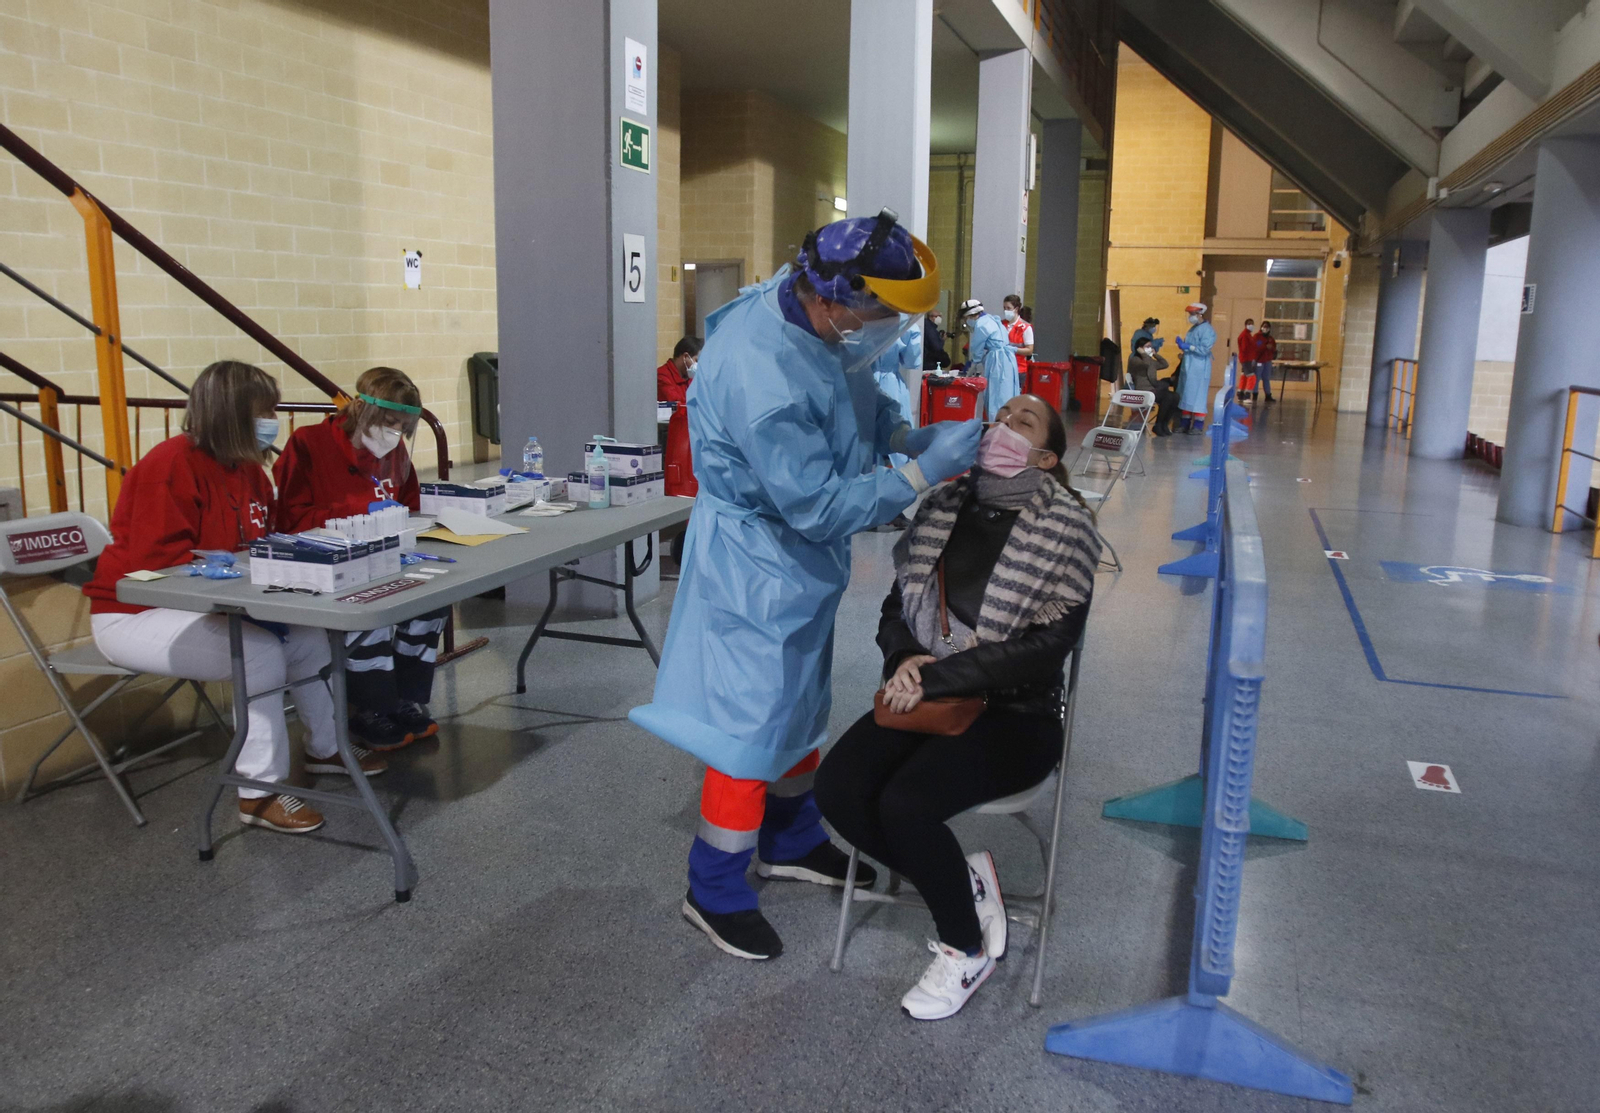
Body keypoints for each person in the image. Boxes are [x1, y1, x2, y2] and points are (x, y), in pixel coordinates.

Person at [629, 210, 981, 961]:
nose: (879, 330)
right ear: (833, 298)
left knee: (798, 698)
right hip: (755, 557)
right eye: (877, 313)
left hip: (797, 561)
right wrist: (918, 473)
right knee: (748, 720)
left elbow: (851, 385)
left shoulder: (807, 309)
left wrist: (897, 431)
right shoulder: (760, 372)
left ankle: (789, 835)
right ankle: (714, 885)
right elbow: (817, 505)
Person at [815, 392, 1099, 1020]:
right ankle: (964, 887)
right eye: (1000, 416)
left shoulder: (1069, 528)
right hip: (926, 695)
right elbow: (897, 605)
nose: (1002, 425)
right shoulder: (942, 505)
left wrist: (938, 677)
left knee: (906, 802)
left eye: (1022, 422)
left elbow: (1045, 649)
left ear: (1046, 456)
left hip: (1015, 716)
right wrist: (902, 660)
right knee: (836, 788)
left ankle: (964, 947)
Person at [85, 360, 386, 836]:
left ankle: (327, 749)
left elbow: (258, 540)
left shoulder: (247, 469)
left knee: (311, 637)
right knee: (259, 653)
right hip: (135, 614)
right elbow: (153, 574)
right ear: (229, 413)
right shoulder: (168, 466)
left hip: (221, 604)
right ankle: (258, 793)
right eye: (263, 410)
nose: (272, 420)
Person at [274, 366, 448, 749]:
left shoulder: (393, 449)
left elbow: (409, 505)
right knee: (368, 611)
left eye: (403, 427)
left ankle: (403, 698)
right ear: (362, 412)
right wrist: (353, 524)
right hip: (331, 561)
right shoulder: (309, 444)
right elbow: (290, 516)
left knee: (431, 602)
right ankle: (370, 707)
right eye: (389, 423)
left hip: (387, 557)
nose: (395, 434)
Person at [961, 298, 1020, 420]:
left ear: (971, 315)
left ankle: (996, 426)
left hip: (997, 362)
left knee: (996, 396)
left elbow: (977, 351)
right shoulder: (993, 319)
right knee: (1007, 395)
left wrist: (970, 369)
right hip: (1008, 361)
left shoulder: (981, 325)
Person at [657, 337, 702, 498]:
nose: (698, 365)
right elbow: (679, 403)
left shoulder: (688, 379)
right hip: (668, 438)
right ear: (685, 357)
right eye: (696, 360)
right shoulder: (662, 376)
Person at [1173, 302, 1215, 434]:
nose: (1190, 317)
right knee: (1186, 396)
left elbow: (1204, 349)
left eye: (1192, 314)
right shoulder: (1193, 329)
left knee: (1198, 397)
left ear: (1200, 314)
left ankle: (1198, 425)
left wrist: (1188, 347)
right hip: (1189, 367)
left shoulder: (1208, 330)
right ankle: (1184, 423)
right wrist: (1183, 346)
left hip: (1199, 368)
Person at [1127, 335, 1176, 435]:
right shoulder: (1135, 360)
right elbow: (1145, 364)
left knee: (1175, 396)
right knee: (1167, 397)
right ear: (1140, 348)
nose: (1150, 348)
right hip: (1143, 390)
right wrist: (1144, 354)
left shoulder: (1151, 361)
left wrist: (1155, 355)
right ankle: (1158, 426)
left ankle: (1163, 424)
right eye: (1147, 346)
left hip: (1153, 389)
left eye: (1151, 346)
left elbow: (1164, 364)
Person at [1003, 294, 1034, 359]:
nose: (1006, 311)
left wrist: (1014, 350)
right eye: (1004, 308)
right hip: (1003, 364)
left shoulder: (1025, 327)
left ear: (1016, 309)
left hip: (1019, 366)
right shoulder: (1001, 324)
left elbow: (1029, 350)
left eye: (1008, 308)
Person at [1254, 319, 1278, 402]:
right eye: (1264, 326)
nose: (1265, 328)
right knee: (1256, 379)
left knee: (1266, 378)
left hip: (1267, 361)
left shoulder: (1271, 338)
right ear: (1261, 327)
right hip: (1259, 361)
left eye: (1267, 327)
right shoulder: (1257, 337)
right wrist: (1265, 347)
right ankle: (1255, 395)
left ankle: (1268, 395)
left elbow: (1274, 348)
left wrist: (1272, 349)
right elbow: (1256, 347)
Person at [1235, 318, 1258, 401]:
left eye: (1252, 323)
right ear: (1245, 325)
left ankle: (1240, 393)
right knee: (1252, 377)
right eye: (1249, 323)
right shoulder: (1245, 335)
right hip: (1246, 359)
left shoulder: (1247, 334)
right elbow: (1245, 348)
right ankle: (1247, 395)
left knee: (1244, 376)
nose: (1251, 325)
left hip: (1246, 358)